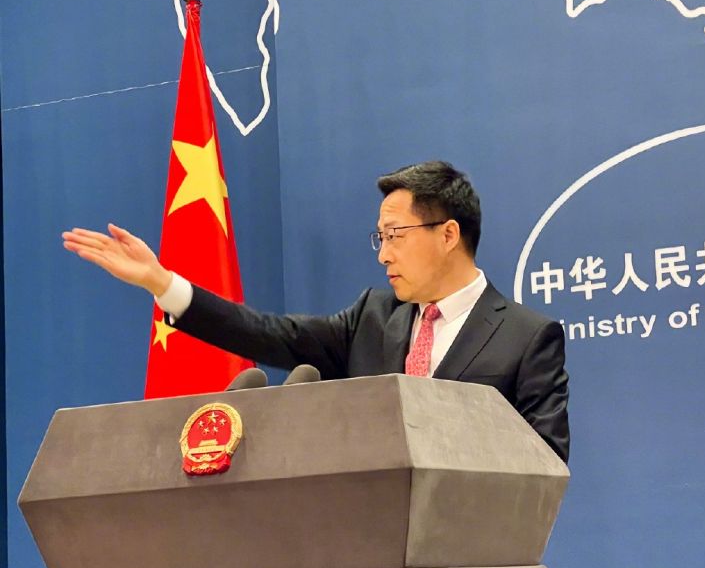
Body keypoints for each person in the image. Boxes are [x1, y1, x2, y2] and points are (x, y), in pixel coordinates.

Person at [63, 161, 570, 462]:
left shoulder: (526, 337)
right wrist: (162, 284)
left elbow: (544, 461)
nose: (383, 254)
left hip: (470, 567)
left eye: (395, 235)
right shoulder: (373, 316)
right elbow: (270, 334)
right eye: (380, 237)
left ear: (449, 234)